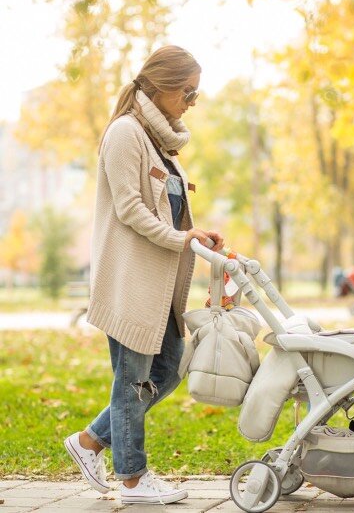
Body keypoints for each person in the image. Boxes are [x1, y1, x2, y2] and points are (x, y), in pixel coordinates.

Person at [63, 45, 224, 505]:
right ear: (162, 84)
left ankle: (90, 442)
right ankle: (132, 480)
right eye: (188, 93)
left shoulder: (161, 142)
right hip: (131, 282)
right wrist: (184, 239)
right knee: (133, 381)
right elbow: (131, 209)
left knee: (168, 371)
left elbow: (169, 215)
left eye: (196, 94)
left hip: (162, 287)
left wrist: (196, 235)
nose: (192, 103)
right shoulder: (125, 134)